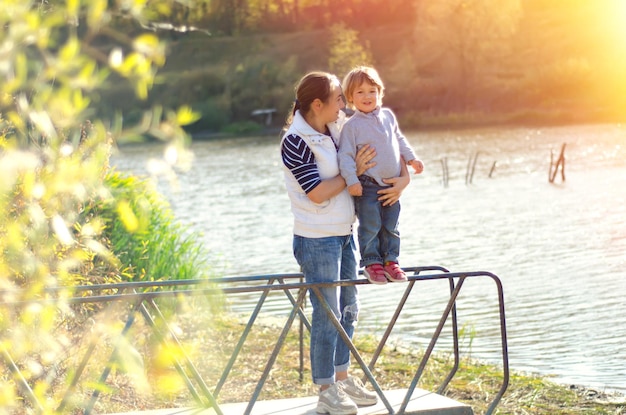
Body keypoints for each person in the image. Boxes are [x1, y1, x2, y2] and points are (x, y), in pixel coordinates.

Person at [280, 71, 409, 415]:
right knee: (327, 314)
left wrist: (404, 178)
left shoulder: (336, 127)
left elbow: (387, 143)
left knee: (349, 310)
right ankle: (326, 389)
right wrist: (353, 173)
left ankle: (342, 377)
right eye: (340, 98)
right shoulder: (295, 141)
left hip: (345, 234)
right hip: (316, 239)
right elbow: (318, 193)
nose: (345, 104)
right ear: (317, 104)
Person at [338, 66, 424, 285]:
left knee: (391, 224)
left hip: (392, 185)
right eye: (360, 92)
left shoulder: (387, 116)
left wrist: (412, 158)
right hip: (367, 185)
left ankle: (391, 261)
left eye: (371, 91)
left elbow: (399, 140)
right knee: (371, 224)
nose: (367, 96)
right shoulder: (352, 126)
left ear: (379, 92)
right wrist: (352, 181)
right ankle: (371, 262)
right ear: (350, 97)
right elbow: (346, 156)